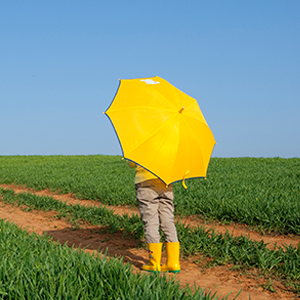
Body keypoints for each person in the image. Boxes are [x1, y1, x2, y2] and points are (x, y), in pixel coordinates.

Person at [127, 160, 181, 273]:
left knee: (151, 221)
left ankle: (154, 262)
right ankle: (173, 263)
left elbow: (131, 163)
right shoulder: (170, 144)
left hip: (145, 183)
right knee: (168, 221)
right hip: (165, 182)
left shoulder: (142, 143)